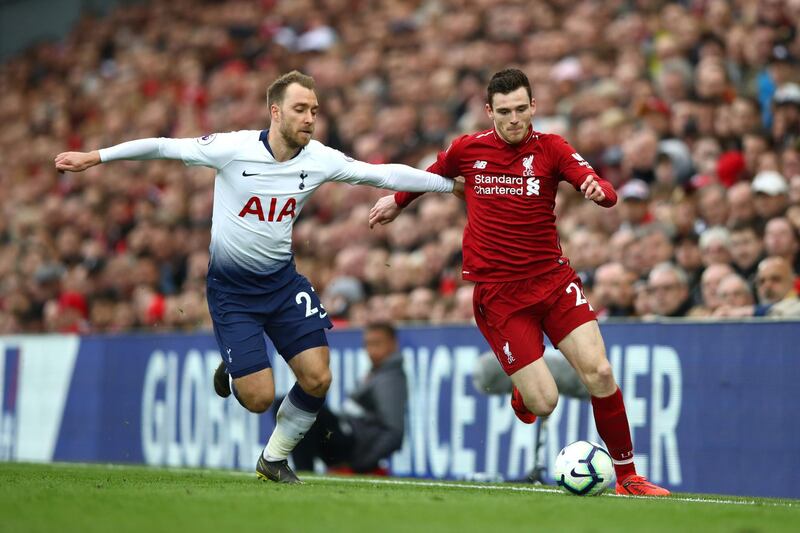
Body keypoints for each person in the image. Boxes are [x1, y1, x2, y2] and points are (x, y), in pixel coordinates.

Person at [54, 70, 460, 484]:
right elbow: (162, 146)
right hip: (232, 292)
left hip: (283, 285)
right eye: (300, 109)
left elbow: (384, 174)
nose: (309, 118)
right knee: (258, 397)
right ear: (275, 111)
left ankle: (274, 459)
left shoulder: (319, 159)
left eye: (314, 111)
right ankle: (234, 368)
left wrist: (449, 186)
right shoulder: (232, 148)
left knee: (319, 377)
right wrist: (96, 156)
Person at [369, 68, 669, 496]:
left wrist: (595, 188)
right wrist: (397, 202)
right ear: (490, 111)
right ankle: (523, 390)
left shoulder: (551, 148)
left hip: (552, 281)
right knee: (545, 402)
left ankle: (628, 478)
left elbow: (593, 179)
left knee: (600, 372)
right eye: (504, 111)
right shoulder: (468, 149)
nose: (514, 119)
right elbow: (433, 173)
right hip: (500, 296)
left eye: (521, 109)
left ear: (534, 106)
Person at [289, 322, 407, 473]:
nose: (371, 350)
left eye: (377, 343)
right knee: (297, 408)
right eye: (367, 344)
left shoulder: (390, 379)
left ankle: (303, 472)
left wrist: (359, 466)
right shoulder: (378, 373)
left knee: (302, 408)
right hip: (347, 438)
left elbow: (394, 433)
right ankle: (303, 472)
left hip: (352, 446)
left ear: (393, 344)